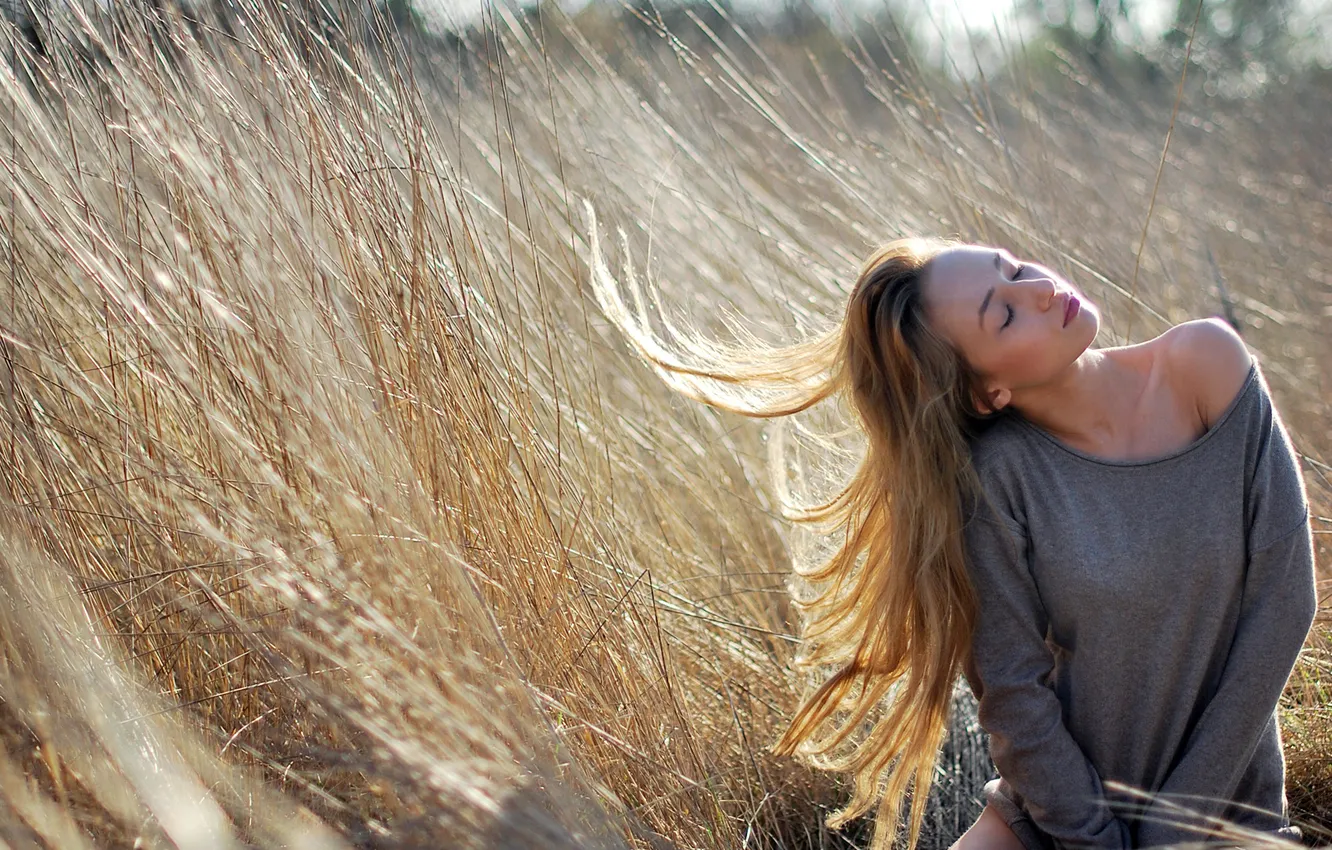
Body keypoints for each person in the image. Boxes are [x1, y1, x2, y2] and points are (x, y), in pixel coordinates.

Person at [584, 215, 1317, 850]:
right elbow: (1012, 693)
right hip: (1062, 821)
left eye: (1014, 267)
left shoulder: (1207, 368)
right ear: (986, 391)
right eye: (1004, 316)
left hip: (1225, 818)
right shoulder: (997, 480)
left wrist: (1168, 832)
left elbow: (1285, 608)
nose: (1039, 290)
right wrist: (1096, 840)